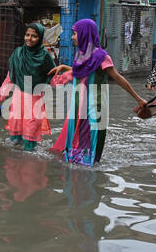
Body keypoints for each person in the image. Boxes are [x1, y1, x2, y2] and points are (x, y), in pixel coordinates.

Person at [48, 19, 147, 166]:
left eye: (75, 33)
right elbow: (83, 71)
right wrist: (64, 67)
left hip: (94, 108)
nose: (72, 37)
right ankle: (75, 172)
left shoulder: (101, 57)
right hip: (77, 108)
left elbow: (119, 79)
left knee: (89, 143)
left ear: (84, 34)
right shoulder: (80, 55)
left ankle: (87, 172)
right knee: (75, 142)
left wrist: (139, 99)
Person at [0, 23, 56, 151]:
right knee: (15, 140)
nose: (29, 38)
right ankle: (14, 167)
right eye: (27, 35)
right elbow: (10, 79)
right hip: (18, 100)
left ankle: (31, 168)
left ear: (40, 38)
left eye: (34, 36)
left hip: (35, 101)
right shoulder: (18, 54)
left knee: (30, 140)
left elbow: (54, 76)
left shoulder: (45, 56)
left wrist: (73, 78)